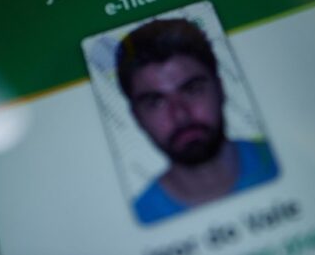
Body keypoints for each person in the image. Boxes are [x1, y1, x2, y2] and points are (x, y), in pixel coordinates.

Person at [116, 18, 278, 224]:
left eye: (192, 89)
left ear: (220, 88)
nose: (180, 115)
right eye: (156, 102)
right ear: (137, 117)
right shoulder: (138, 217)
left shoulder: (282, 157)